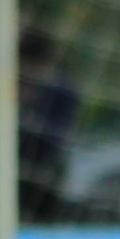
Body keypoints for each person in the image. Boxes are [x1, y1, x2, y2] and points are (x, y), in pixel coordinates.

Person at [17, 29, 79, 223]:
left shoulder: (59, 88)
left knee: (41, 222)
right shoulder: (21, 84)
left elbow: (55, 132)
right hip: (21, 168)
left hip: (44, 169)